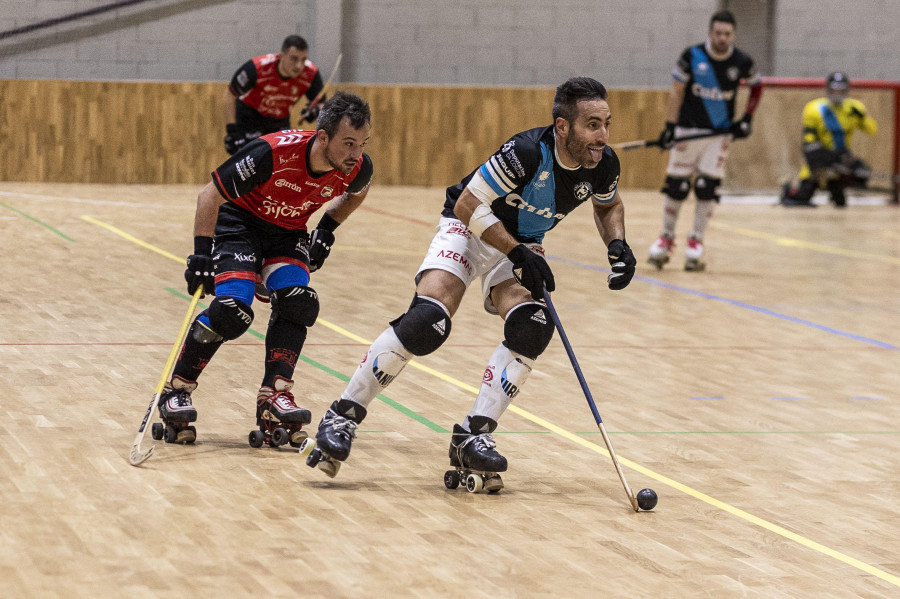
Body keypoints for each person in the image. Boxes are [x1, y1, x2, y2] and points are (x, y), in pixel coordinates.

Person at [301, 77, 636, 487]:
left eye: (606, 124)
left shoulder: (604, 165)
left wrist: (617, 244)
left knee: (533, 325)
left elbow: (609, 206)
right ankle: (343, 414)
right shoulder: (527, 152)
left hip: (522, 242)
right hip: (470, 227)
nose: (602, 136)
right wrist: (517, 253)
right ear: (563, 126)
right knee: (428, 321)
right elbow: (467, 204)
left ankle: (473, 434)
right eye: (592, 125)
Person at [155, 92, 373, 447]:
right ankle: (175, 390)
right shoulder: (271, 154)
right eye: (348, 143)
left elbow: (357, 192)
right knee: (232, 311)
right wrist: (200, 255)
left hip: (286, 233)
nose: (355, 154)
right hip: (240, 224)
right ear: (322, 137)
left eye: (362, 144)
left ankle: (274, 394)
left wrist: (327, 230)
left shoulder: (358, 167)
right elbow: (210, 195)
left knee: (299, 302)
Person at [648, 9, 762, 272]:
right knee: (677, 186)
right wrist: (670, 126)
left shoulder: (742, 61)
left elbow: (757, 87)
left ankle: (696, 242)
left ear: (733, 35)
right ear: (710, 33)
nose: (722, 38)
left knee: (706, 186)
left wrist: (747, 118)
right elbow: (676, 93)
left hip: (719, 135)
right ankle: (665, 238)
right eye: (718, 33)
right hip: (689, 130)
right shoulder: (692, 56)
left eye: (727, 34)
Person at [780, 72, 877, 208]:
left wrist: (863, 117)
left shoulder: (854, 108)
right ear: (827, 89)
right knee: (801, 198)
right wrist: (826, 159)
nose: (837, 93)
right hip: (820, 160)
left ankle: (836, 188)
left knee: (857, 177)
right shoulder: (815, 109)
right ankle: (791, 190)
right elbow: (809, 143)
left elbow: (872, 130)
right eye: (834, 89)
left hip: (841, 161)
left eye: (841, 90)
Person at [223, 35, 326, 155]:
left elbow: (322, 104)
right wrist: (232, 131)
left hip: (280, 120)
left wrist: (315, 111)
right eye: (294, 59)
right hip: (250, 118)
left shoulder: (311, 74)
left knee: (282, 161)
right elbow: (230, 95)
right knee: (252, 162)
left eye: (303, 60)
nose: (299, 66)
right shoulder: (257, 68)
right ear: (281, 56)